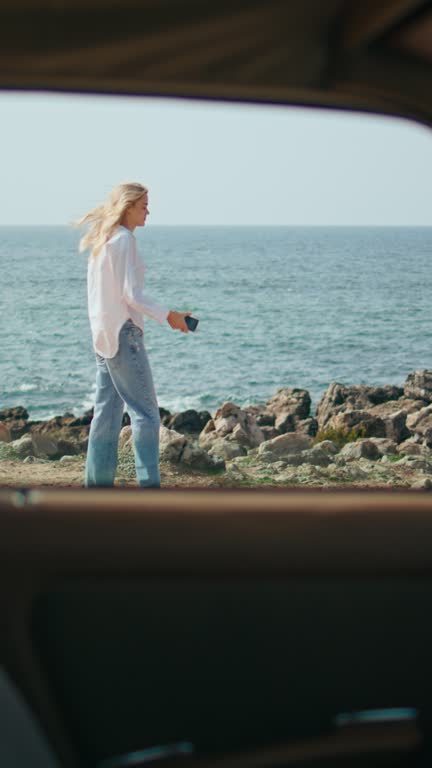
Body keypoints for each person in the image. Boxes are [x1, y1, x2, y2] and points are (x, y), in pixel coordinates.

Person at [76, 182, 191, 488]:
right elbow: (131, 294)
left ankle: (97, 489)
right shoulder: (124, 240)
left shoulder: (103, 241)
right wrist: (171, 316)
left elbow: (95, 297)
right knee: (146, 415)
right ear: (128, 207)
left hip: (103, 336)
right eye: (143, 205)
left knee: (106, 415)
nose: (148, 211)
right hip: (124, 335)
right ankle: (149, 490)